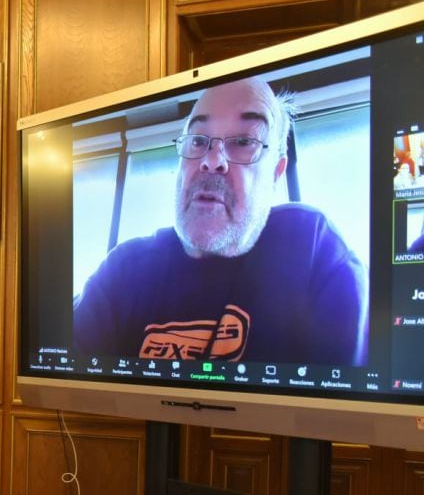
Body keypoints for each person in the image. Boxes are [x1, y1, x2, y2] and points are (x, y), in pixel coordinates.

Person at [73, 77, 368, 366]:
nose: (212, 160)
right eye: (199, 140)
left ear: (277, 173)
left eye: (243, 141)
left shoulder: (314, 250)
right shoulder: (124, 270)